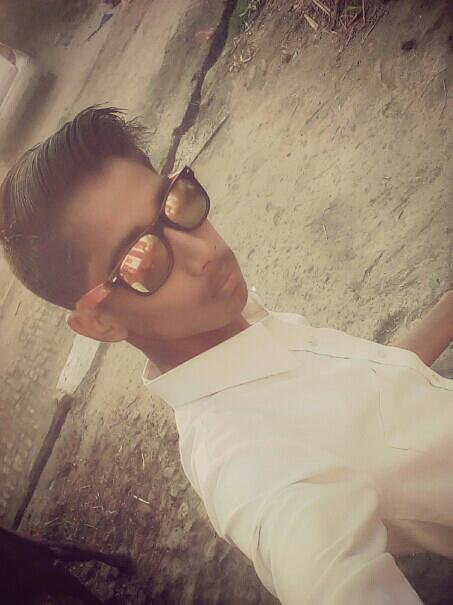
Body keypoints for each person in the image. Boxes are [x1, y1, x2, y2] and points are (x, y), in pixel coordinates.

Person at [1, 107, 452, 605]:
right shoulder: (250, 466)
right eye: (139, 260)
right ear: (101, 323)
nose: (203, 253)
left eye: (175, 202)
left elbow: (368, 406)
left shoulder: (229, 328)